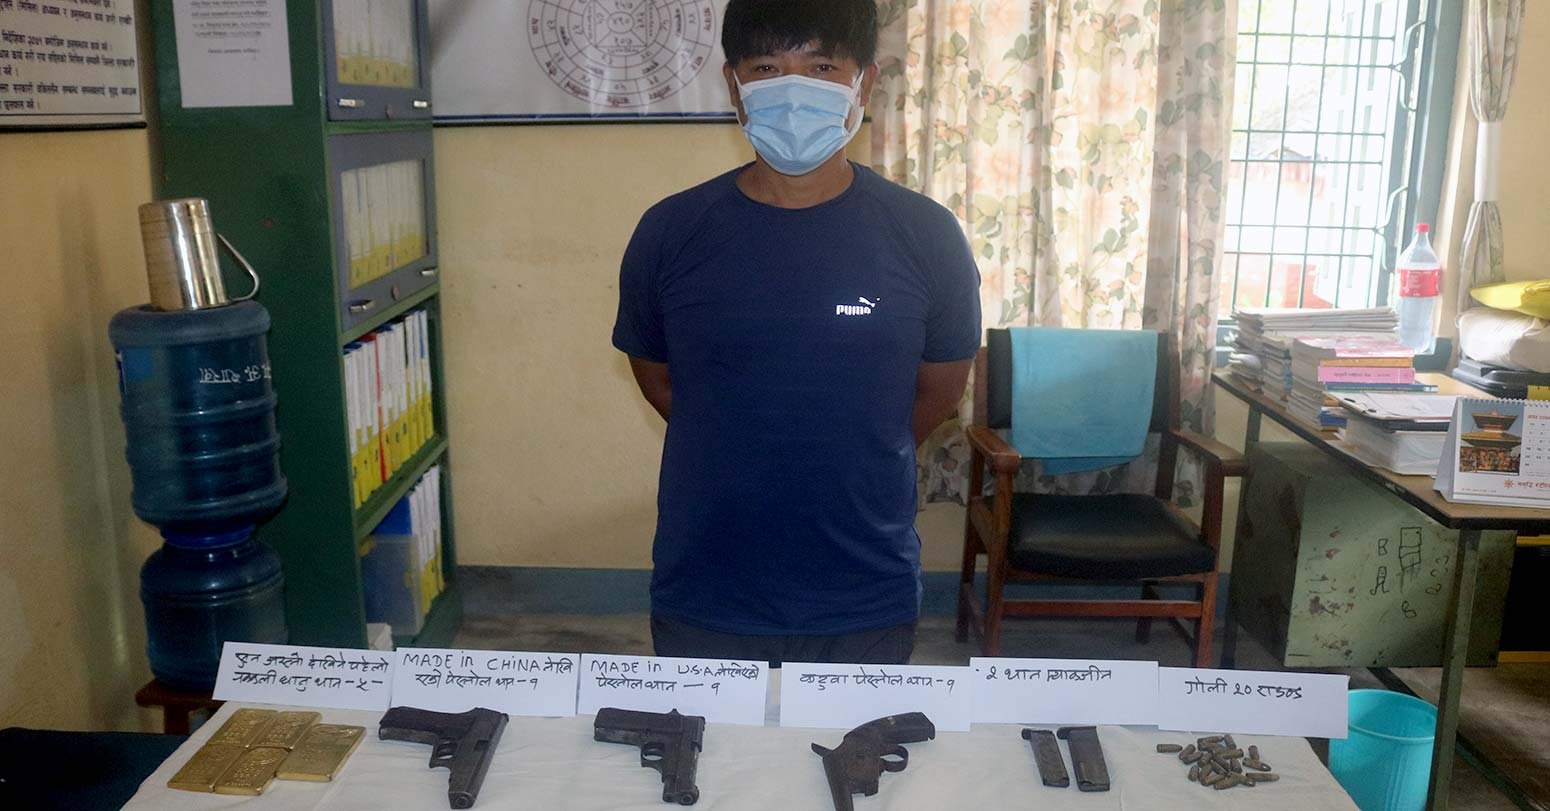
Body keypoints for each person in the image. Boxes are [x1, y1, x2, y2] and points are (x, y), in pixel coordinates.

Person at [612, 0, 981, 665]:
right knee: (706, 737)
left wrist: (853, 449)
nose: (792, 89)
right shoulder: (669, 232)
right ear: (733, 86)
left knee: (859, 736)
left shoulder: (927, 235)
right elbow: (661, 381)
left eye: (820, 67)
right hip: (707, 587)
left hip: (865, 590)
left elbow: (937, 392)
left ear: (863, 84)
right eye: (766, 67)